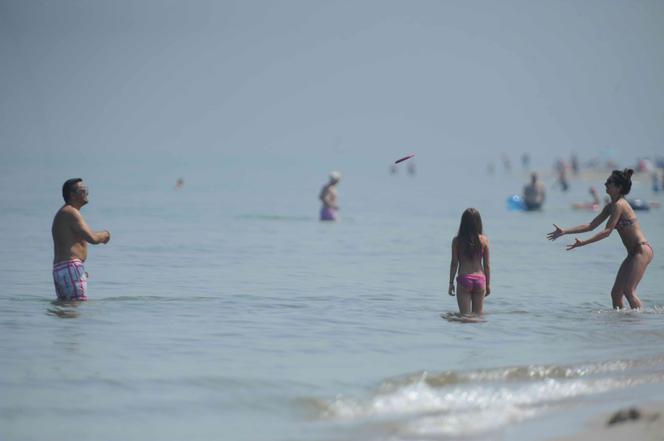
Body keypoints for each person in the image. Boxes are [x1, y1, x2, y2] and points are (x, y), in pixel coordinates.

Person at [547, 169, 653, 309]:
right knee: (615, 294)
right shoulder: (610, 207)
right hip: (632, 254)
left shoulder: (620, 205)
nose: (605, 184)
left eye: (609, 182)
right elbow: (591, 225)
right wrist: (565, 231)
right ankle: (623, 326)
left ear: (618, 187)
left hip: (641, 250)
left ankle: (640, 324)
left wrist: (584, 243)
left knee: (629, 291)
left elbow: (607, 231)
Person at [51, 178, 111, 301]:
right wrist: (106, 234)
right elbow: (93, 238)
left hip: (63, 268)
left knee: (65, 311)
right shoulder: (71, 212)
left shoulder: (65, 213)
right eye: (82, 190)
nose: (86, 193)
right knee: (75, 311)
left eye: (86, 190)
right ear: (72, 195)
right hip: (70, 268)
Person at [448, 208, 491, 314]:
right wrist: (488, 284)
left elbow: (454, 263)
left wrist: (451, 283)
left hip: (464, 279)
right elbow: (487, 265)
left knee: (464, 317)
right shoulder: (484, 240)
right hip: (480, 280)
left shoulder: (457, 241)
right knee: (477, 317)